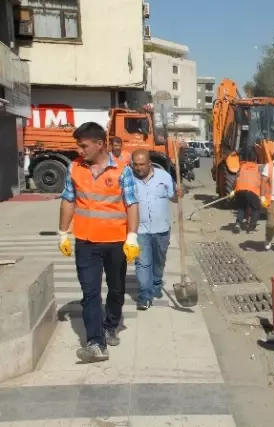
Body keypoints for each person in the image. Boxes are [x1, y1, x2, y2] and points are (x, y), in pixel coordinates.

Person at [57, 122, 140, 363]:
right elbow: (68, 201)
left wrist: (132, 237)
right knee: (90, 293)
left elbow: (131, 204)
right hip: (86, 243)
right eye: (78, 146)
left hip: (116, 243)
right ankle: (96, 343)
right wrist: (63, 232)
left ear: (99, 144)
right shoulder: (74, 168)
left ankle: (111, 324)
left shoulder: (123, 171)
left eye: (83, 146)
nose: (79, 150)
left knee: (116, 289)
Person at [130, 149, 184, 310]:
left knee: (158, 262)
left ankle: (156, 283)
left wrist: (178, 194)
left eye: (142, 165)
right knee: (142, 263)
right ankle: (144, 295)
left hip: (161, 229)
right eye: (136, 165)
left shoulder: (163, 177)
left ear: (149, 163)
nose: (138, 168)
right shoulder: (129, 179)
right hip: (139, 230)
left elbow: (173, 198)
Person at [231, 149, 262, 233]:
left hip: (239, 190)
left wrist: (233, 190)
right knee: (256, 208)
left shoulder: (242, 166)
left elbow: (236, 179)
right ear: (255, 159)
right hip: (251, 190)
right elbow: (260, 181)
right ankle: (252, 227)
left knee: (241, 207)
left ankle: (238, 224)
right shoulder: (257, 168)